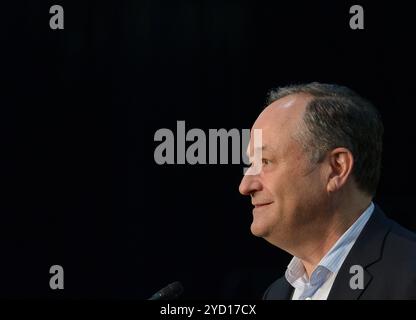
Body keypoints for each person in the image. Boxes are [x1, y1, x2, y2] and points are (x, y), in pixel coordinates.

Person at [239, 82, 416, 300]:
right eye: (250, 165)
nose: (245, 186)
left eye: (265, 161)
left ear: (336, 169)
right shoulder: (275, 294)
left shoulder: (409, 275)